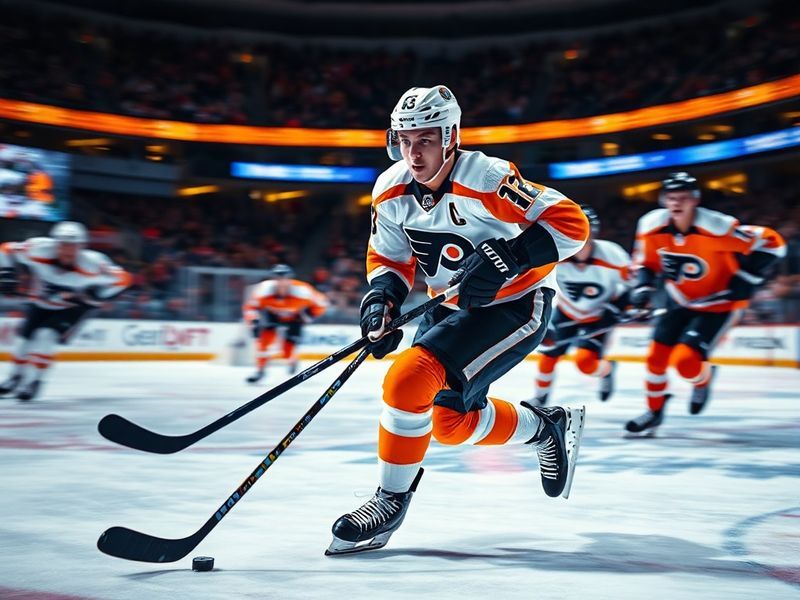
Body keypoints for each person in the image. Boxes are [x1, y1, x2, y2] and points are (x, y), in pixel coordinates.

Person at [326, 85, 590, 556]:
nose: (414, 151)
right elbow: (389, 258)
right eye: (405, 140)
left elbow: (571, 225)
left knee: (406, 381)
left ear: (450, 137)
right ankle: (545, 427)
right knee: (449, 422)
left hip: (516, 303)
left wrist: (509, 259)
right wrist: (380, 302)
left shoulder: (487, 177)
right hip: (450, 308)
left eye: (425, 139)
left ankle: (389, 501)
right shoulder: (389, 189)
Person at [625, 172, 786, 433]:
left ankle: (702, 380)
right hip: (678, 299)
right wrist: (642, 286)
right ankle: (654, 411)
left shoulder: (718, 227)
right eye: (671, 197)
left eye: (684, 198)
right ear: (664, 199)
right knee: (655, 359)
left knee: (686, 363)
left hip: (718, 306)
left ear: (695, 200)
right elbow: (645, 262)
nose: (677, 203)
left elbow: (773, 242)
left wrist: (747, 276)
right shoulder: (650, 225)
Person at [0, 221, 131, 401]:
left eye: (73, 245)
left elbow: (124, 279)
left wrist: (100, 295)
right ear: (54, 243)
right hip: (39, 302)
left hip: (72, 307)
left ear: (82, 247)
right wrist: (6, 272)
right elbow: (5, 249)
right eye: (63, 244)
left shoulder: (93, 263)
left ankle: (34, 381)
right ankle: (15, 377)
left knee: (46, 335)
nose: (67, 250)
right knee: (23, 340)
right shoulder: (38, 249)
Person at [532, 205, 634, 405]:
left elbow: (632, 288)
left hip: (599, 316)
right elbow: (535, 285)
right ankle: (540, 397)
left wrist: (617, 309)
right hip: (567, 311)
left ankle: (607, 369)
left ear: (593, 233)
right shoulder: (554, 255)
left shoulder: (613, 254)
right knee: (548, 356)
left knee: (586, 364)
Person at [241, 264, 327, 383]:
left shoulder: (303, 291)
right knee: (263, 342)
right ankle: (260, 371)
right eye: (278, 278)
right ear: (273, 279)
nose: (281, 282)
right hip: (271, 315)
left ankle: (292, 360)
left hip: (294, 317)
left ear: (290, 279)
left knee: (287, 349)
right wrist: (253, 321)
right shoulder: (263, 290)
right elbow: (250, 307)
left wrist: (306, 316)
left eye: (284, 278)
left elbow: (322, 303)